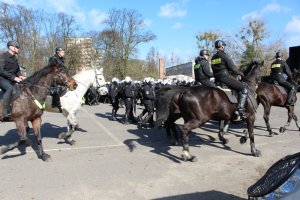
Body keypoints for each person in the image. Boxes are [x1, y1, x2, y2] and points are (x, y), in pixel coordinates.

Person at [211, 40, 248, 120]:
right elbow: (232, 67)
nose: (224, 47)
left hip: (217, 79)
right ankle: (240, 109)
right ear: (222, 46)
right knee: (243, 89)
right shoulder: (224, 56)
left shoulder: (213, 58)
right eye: (223, 46)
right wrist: (241, 73)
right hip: (225, 77)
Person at [0, 40, 26, 121]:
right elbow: (1, 71)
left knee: (23, 89)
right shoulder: (3, 56)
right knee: (9, 89)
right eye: (17, 47)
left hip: (11, 79)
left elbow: (17, 70)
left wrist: (21, 76)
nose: (18, 49)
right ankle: (5, 111)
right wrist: (14, 78)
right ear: (11, 47)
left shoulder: (15, 58)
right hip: (2, 79)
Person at [48, 46, 67, 112]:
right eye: (62, 52)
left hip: (60, 77)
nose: (64, 53)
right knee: (57, 88)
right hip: (53, 77)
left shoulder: (61, 59)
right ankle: (55, 103)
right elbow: (52, 69)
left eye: (64, 52)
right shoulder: (53, 59)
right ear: (58, 52)